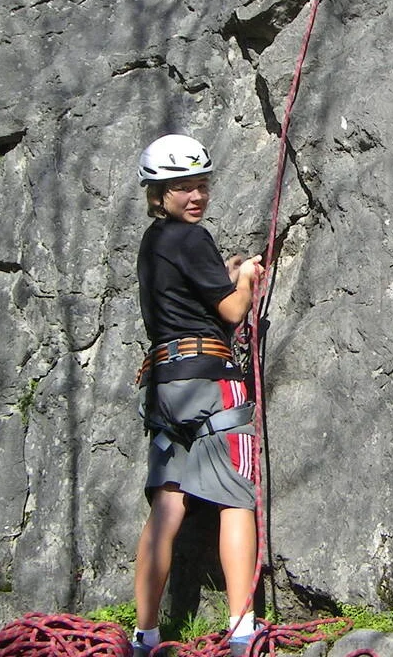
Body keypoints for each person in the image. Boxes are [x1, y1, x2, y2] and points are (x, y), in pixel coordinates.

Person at [130, 134, 265, 657]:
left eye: (201, 185)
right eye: (182, 187)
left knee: (167, 506)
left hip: (165, 385)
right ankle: (243, 629)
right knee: (235, 500)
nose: (195, 196)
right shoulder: (192, 237)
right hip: (210, 381)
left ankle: (145, 635)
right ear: (158, 193)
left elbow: (193, 299)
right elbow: (231, 313)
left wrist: (226, 279)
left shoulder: (154, 243)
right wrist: (247, 277)